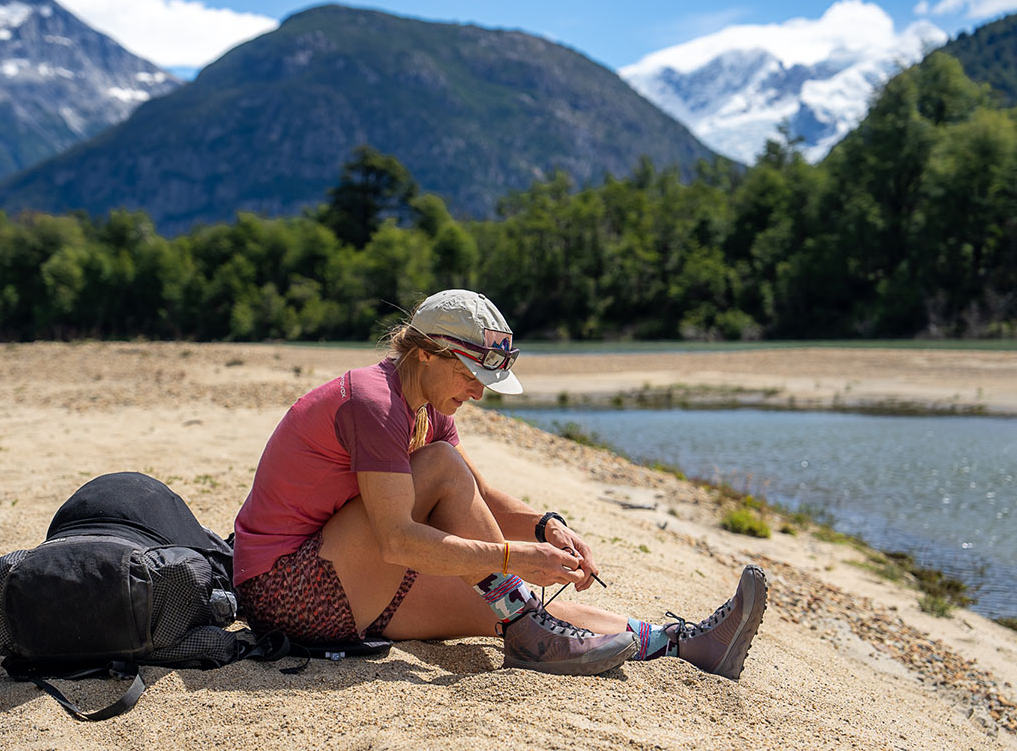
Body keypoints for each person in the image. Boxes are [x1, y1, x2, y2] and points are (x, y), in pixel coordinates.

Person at [233, 289, 767, 677]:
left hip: (340, 583)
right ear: (425, 353)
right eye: (471, 376)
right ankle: (521, 619)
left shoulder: (424, 402)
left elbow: (478, 495)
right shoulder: (374, 404)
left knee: (518, 615)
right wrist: (513, 558)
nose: (479, 394)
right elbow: (397, 538)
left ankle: (684, 644)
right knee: (446, 473)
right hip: (287, 590)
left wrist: (545, 525)